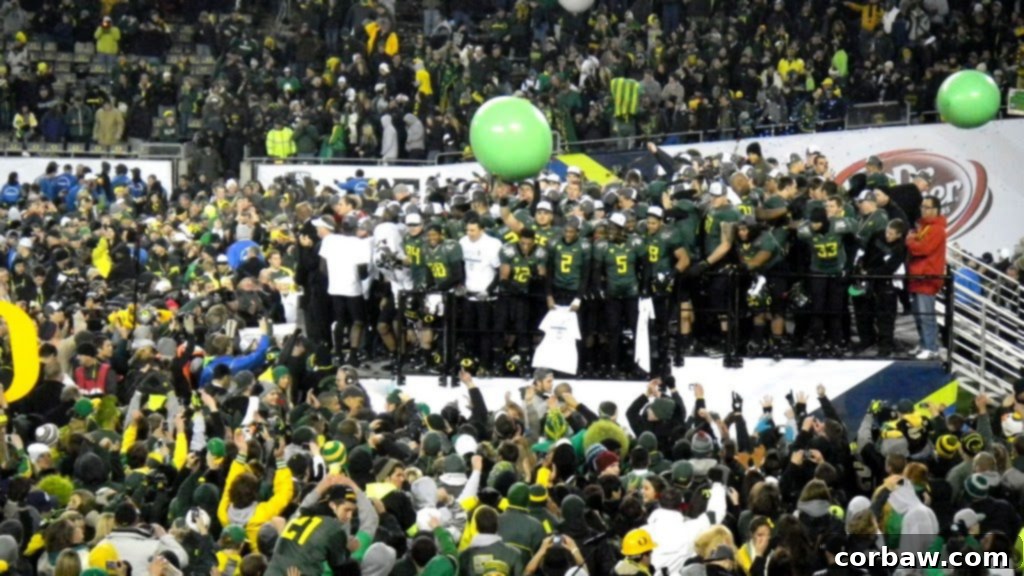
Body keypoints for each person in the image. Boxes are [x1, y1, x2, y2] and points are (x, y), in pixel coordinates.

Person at [319, 213, 372, 364]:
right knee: (357, 321)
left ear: (341, 227)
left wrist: (335, 277)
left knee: (339, 321)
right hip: (353, 288)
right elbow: (363, 272)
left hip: (335, 287)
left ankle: (338, 353)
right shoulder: (360, 244)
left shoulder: (330, 240)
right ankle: (353, 354)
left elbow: (322, 267)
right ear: (356, 228)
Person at [905, 195, 947, 360]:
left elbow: (921, 249)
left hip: (927, 277)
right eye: (922, 206)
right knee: (918, 315)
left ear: (936, 210)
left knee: (926, 315)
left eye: (927, 207)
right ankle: (924, 344)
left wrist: (910, 240)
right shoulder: (923, 227)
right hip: (917, 276)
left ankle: (931, 347)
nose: (923, 210)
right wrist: (913, 240)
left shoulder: (937, 229)